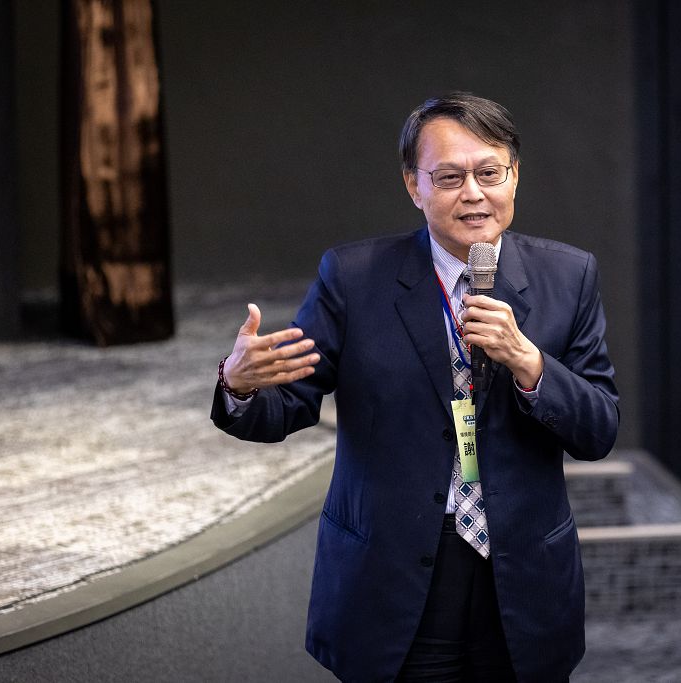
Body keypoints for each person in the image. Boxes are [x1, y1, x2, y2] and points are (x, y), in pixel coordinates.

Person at [211, 92, 619, 682]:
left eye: (489, 173)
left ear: (514, 176)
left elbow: (599, 429)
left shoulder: (569, 275)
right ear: (414, 186)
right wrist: (239, 385)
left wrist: (529, 362)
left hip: (522, 581)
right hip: (395, 578)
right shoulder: (354, 278)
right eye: (449, 177)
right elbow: (289, 405)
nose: (473, 193)